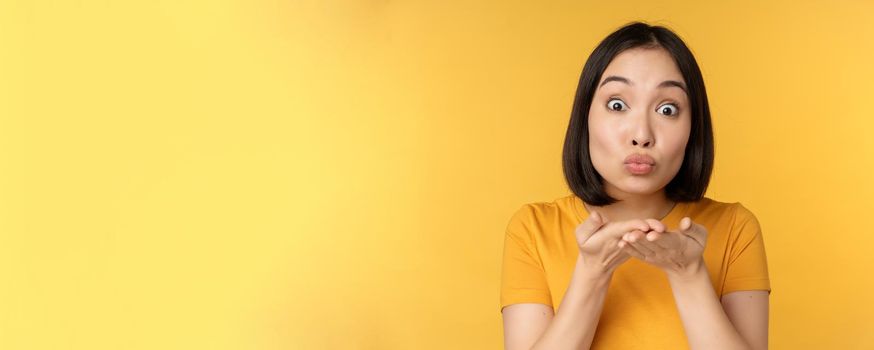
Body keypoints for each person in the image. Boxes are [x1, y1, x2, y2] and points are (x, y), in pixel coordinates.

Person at [500, 21, 770, 350]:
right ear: (585, 116)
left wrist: (688, 273)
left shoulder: (734, 229)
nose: (641, 134)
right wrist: (592, 273)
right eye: (617, 105)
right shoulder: (533, 229)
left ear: (692, 128)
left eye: (667, 109)